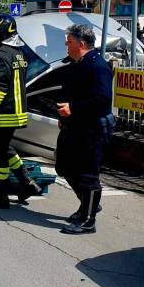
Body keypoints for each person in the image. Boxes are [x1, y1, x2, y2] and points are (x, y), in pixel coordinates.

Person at [0, 13, 41, 209]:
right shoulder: (17, 53)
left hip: (4, 113)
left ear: (2, 32)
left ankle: (0, 195)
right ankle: (27, 183)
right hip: (17, 111)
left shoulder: (2, 54)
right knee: (5, 148)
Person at [56, 24, 114, 235]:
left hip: (92, 128)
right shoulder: (76, 63)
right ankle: (88, 203)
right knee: (64, 166)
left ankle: (88, 219)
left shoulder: (97, 66)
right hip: (74, 125)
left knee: (88, 174)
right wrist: (63, 115)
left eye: (69, 41)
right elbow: (69, 91)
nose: (66, 45)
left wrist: (73, 108)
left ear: (81, 44)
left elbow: (102, 99)